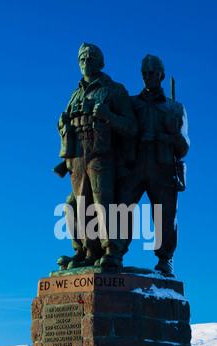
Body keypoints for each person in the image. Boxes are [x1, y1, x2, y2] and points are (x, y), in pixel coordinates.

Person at [56, 43, 137, 270]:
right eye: (82, 58)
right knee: (79, 204)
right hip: (77, 155)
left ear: (101, 63)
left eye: (91, 58)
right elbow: (64, 124)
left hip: (102, 153)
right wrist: (61, 124)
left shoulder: (114, 89)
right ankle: (88, 251)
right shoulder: (75, 94)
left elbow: (131, 128)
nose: (86, 61)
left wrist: (107, 115)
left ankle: (112, 249)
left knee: (103, 202)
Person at [117, 54, 190, 277]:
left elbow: (184, 148)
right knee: (121, 208)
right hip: (135, 164)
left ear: (161, 75)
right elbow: (119, 136)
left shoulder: (175, 108)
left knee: (166, 215)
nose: (148, 77)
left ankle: (165, 259)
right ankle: (116, 252)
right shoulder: (130, 103)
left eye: (152, 73)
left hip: (163, 167)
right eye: (144, 73)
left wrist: (174, 132)